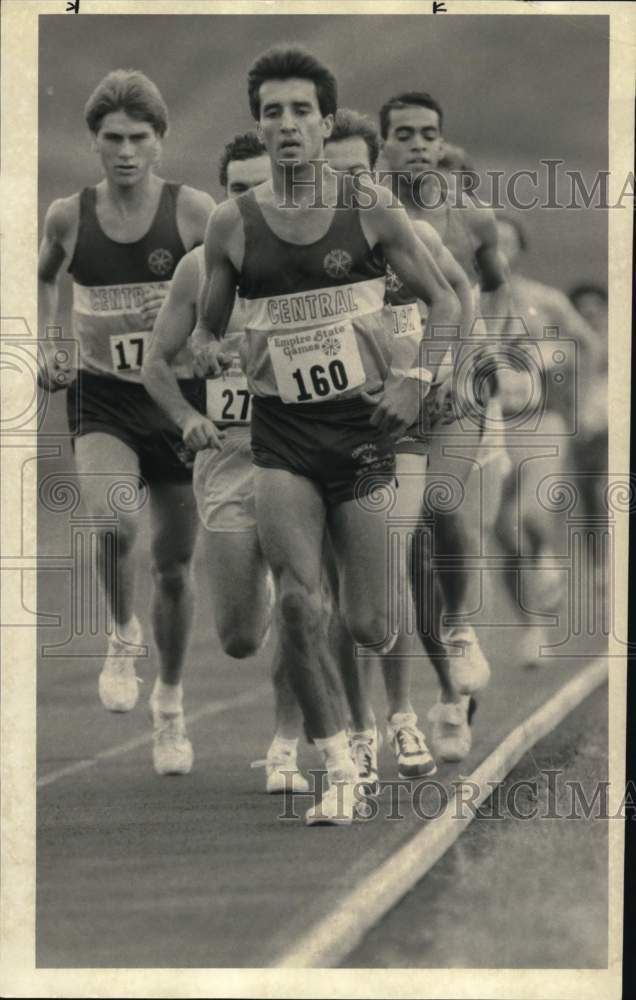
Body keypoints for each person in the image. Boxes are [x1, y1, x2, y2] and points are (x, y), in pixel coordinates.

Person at [193, 46, 461, 824]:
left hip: (366, 433)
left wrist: (415, 382)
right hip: (283, 442)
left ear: (323, 121)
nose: (285, 125)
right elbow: (208, 334)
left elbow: (445, 304)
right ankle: (339, 764)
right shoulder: (231, 224)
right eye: (271, 113)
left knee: (371, 623)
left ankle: (387, 706)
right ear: (259, 125)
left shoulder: (371, 206)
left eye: (300, 111)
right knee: (302, 609)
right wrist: (215, 351)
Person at [37, 69, 216, 775]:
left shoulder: (194, 211)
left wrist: (190, 322)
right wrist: (53, 343)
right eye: (112, 139)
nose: (125, 151)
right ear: (94, 143)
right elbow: (44, 273)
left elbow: (234, 286)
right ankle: (120, 631)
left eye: (139, 138)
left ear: (160, 142)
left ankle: (169, 705)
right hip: (103, 394)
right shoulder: (68, 216)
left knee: (173, 564)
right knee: (113, 523)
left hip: (175, 401)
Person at [143, 131, 309, 795]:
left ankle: (286, 748)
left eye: (260, 185)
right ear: (222, 196)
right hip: (230, 463)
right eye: (237, 188)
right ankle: (266, 593)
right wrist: (187, 417)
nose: (249, 198)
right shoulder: (195, 270)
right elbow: (156, 364)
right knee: (240, 635)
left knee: (302, 607)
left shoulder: (314, 258)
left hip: (300, 455)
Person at [324, 108, 477, 783]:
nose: (352, 183)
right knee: (337, 590)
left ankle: (405, 714)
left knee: (394, 549)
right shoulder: (292, 245)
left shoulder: (402, 234)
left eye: (360, 171)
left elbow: (457, 297)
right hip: (320, 427)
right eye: (340, 171)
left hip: (403, 422)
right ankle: (355, 729)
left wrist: (440, 373)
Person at [378, 91, 505, 758]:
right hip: (393, 398)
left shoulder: (472, 219)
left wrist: (493, 344)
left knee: (443, 512)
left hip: (459, 388)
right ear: (384, 145)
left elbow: (493, 286)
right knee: (406, 557)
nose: (419, 144)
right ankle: (451, 699)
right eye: (405, 133)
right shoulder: (370, 215)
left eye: (430, 132)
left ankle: (459, 625)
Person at [494, 216, 605, 607]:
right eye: (491, 240)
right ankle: (537, 584)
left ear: (520, 249)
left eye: (508, 242)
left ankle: (544, 558)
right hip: (491, 426)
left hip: (544, 421)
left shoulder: (546, 301)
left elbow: (589, 345)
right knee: (504, 529)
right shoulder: (465, 298)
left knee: (534, 514)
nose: (499, 250)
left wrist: (581, 401)